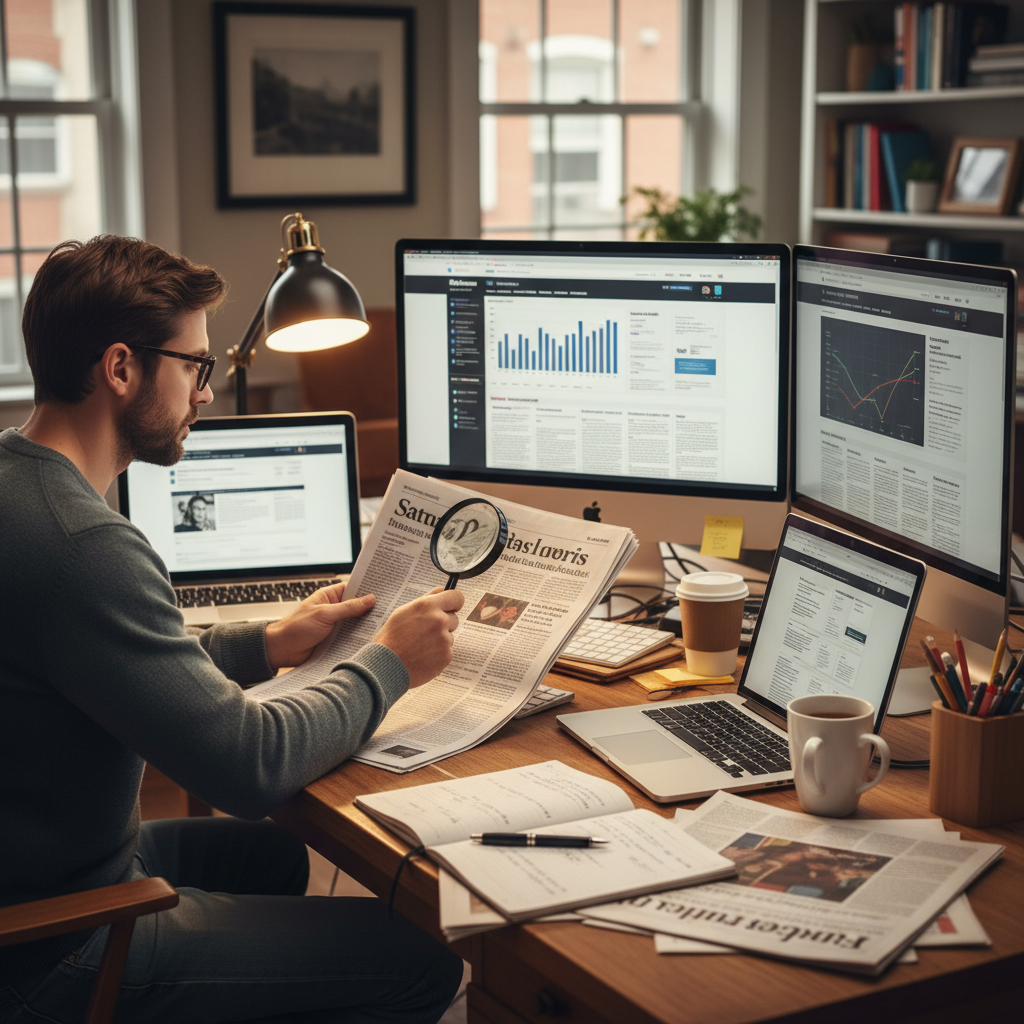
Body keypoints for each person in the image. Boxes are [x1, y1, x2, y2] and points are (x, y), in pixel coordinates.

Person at [0, 236, 466, 1023]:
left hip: (48, 864)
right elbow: (248, 767)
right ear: (120, 369)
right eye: (195, 366)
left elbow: (102, 662)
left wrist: (267, 644)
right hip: (50, 945)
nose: (207, 393)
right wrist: (390, 665)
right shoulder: (83, 544)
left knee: (275, 857)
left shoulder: (20, 480)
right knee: (422, 958)